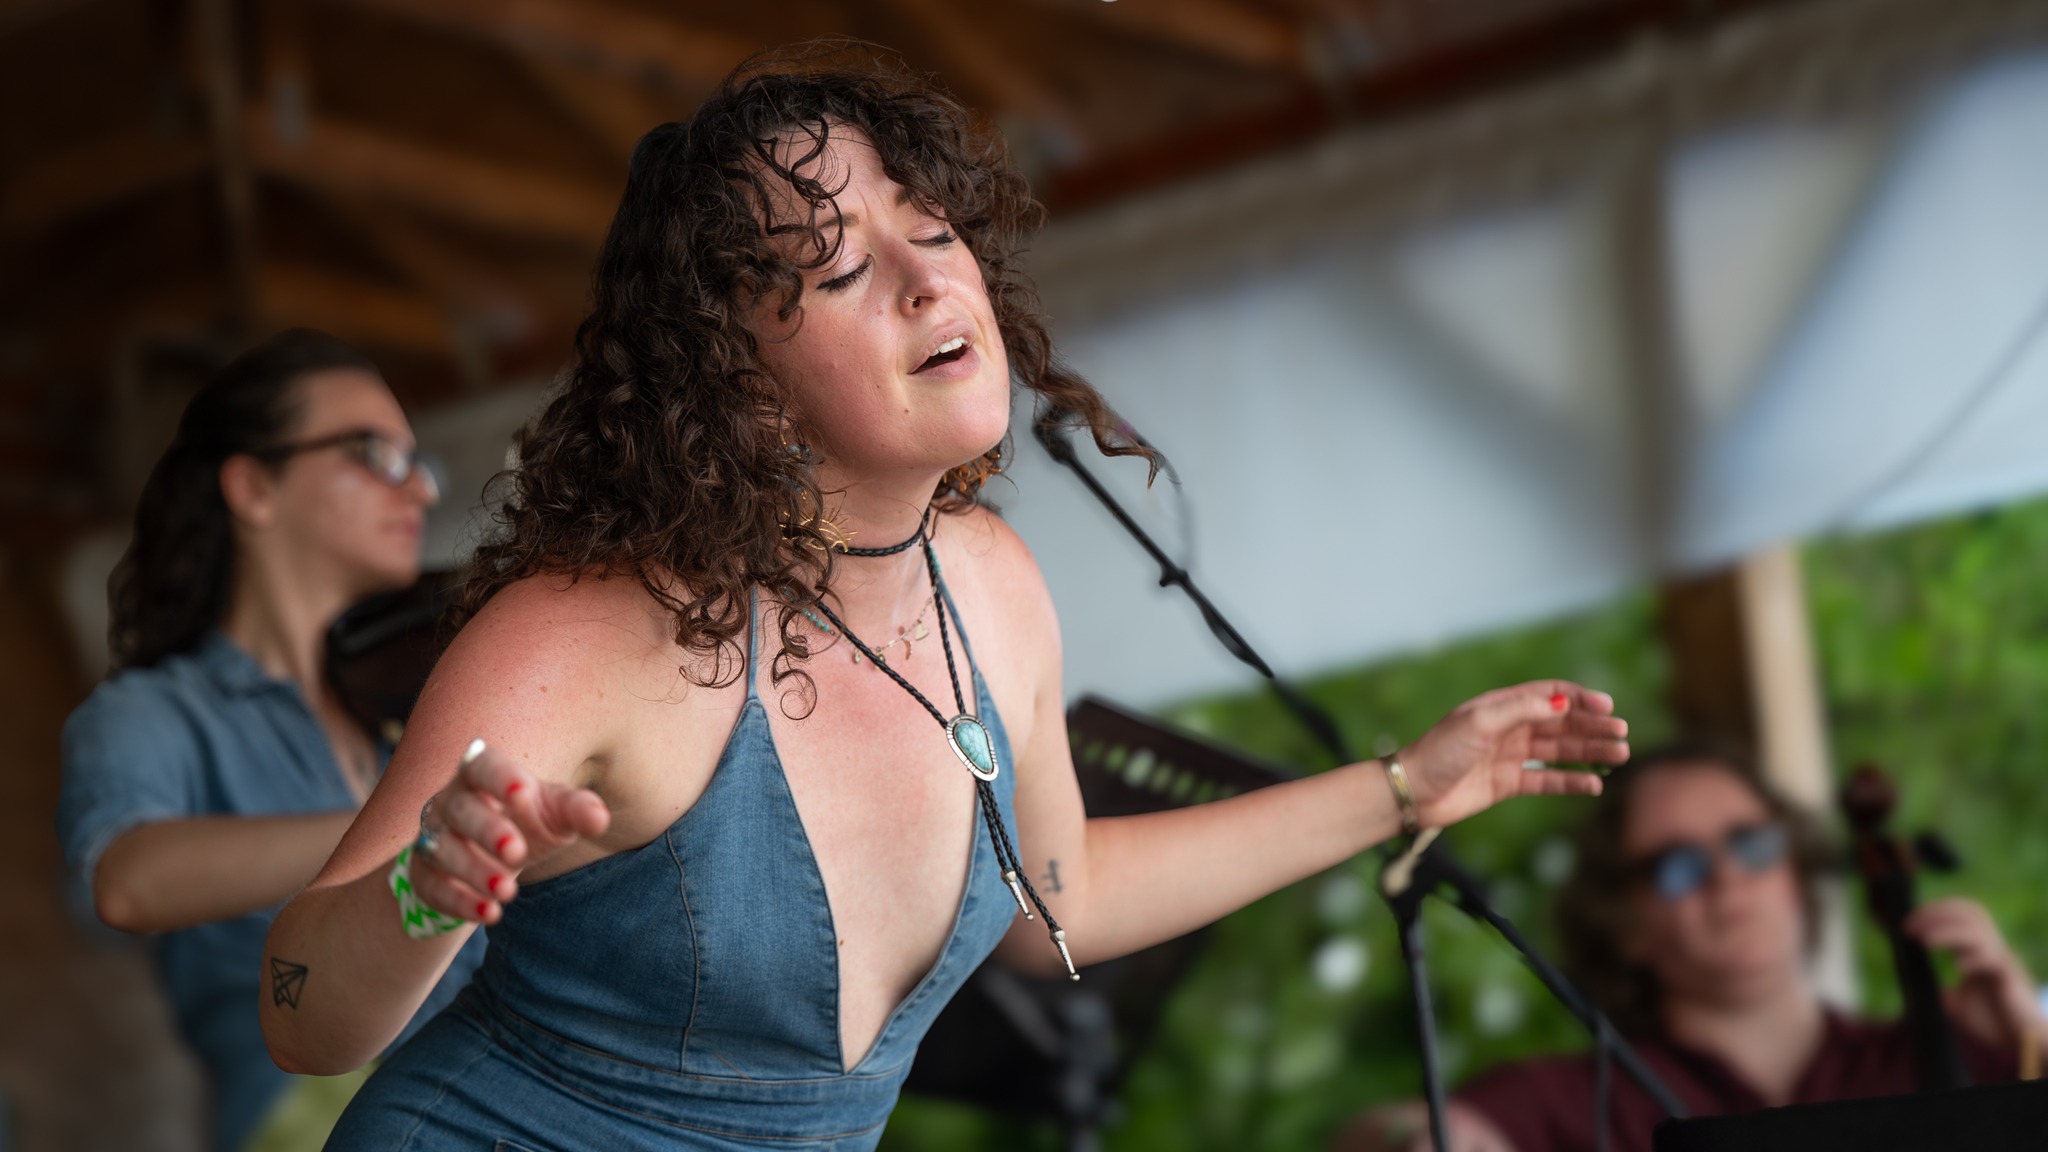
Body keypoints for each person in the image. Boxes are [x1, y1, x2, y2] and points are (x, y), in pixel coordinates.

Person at [260, 50, 1631, 1152]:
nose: (929, 278)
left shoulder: (988, 582)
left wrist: (1402, 787)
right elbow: (300, 1011)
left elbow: (1058, 904)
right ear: (735, 379)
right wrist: (425, 896)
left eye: (930, 228)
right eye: (844, 270)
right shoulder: (580, 638)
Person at [57, 330, 487, 1152]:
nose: (419, 489)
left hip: (482, 1096)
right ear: (254, 487)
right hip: (312, 1119)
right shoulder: (150, 712)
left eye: (417, 462)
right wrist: (416, 823)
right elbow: (127, 881)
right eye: (375, 454)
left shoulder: (408, 704)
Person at [1334, 741, 2046, 1152]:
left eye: (1752, 844)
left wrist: (2031, 1037)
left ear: (1795, 870)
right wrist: (1408, 1137)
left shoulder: (1945, 1056)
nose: (1728, 878)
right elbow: (1390, 1134)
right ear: (1625, 923)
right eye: (1680, 866)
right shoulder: (1574, 1099)